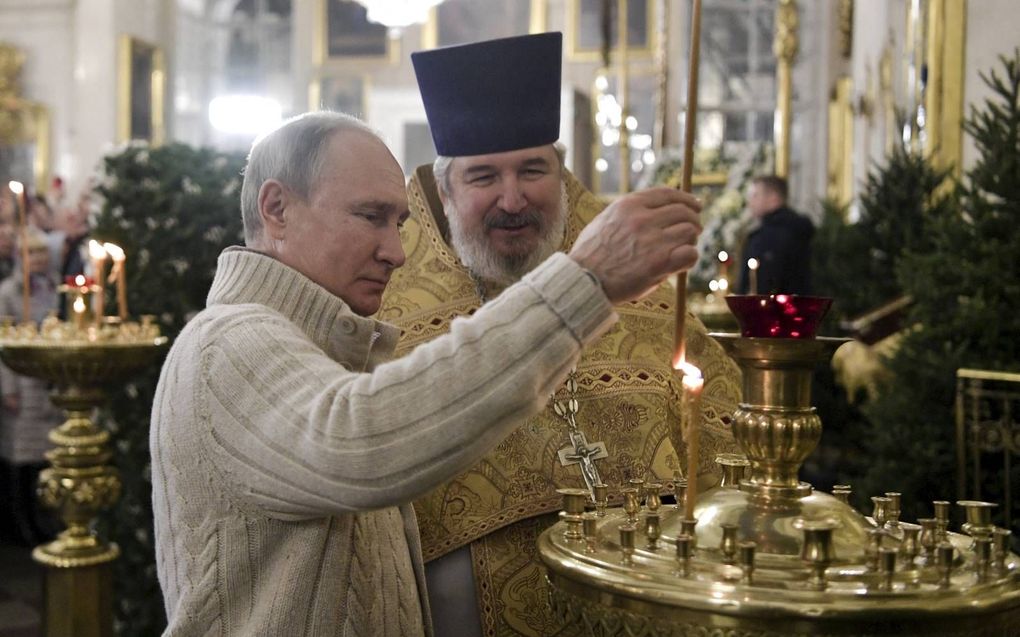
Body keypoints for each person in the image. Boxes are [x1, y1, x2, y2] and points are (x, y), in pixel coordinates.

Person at [150, 110, 705, 636]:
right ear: (276, 208)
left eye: (398, 223)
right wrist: (584, 283)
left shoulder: (312, 347)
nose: (395, 251)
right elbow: (361, 442)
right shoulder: (224, 342)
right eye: (370, 217)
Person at [376, 33, 741, 636]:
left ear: (562, 174)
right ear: (445, 191)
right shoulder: (391, 313)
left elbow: (725, 447)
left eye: (533, 170)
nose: (512, 199)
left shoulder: (642, 288)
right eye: (483, 176)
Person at [0, 229, 62, 544]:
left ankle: (41, 519)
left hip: (46, 380)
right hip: (20, 382)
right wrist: (7, 387)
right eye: (31, 254)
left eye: (41, 254)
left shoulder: (51, 287)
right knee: (20, 459)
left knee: (43, 457)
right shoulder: (8, 292)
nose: (37, 259)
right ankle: (19, 523)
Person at [737, 175, 814, 295]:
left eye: (755, 195)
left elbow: (763, 284)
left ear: (773, 197)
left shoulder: (768, 238)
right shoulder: (800, 230)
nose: (750, 202)